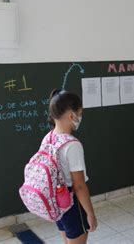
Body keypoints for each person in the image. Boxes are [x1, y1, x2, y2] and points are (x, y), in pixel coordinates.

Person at [47, 89, 97, 244]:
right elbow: (79, 186)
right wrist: (90, 213)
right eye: (79, 114)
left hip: (56, 201)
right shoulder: (72, 145)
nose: (80, 118)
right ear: (71, 115)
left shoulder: (49, 137)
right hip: (71, 203)